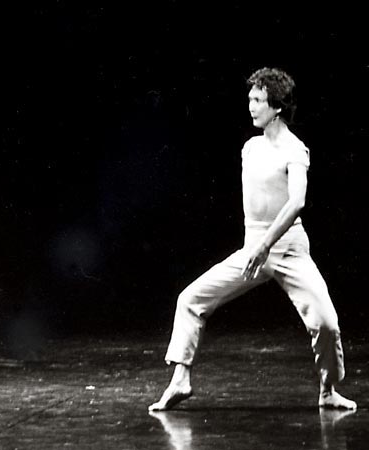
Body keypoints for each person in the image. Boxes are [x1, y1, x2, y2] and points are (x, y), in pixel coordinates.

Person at [149, 68, 356, 411]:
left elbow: (297, 201)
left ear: (277, 106)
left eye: (258, 100)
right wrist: (256, 245)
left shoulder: (295, 149)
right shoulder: (250, 147)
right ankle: (180, 379)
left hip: (289, 249)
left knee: (326, 323)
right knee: (190, 300)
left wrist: (265, 245)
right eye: (250, 99)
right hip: (253, 249)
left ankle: (328, 390)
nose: (251, 106)